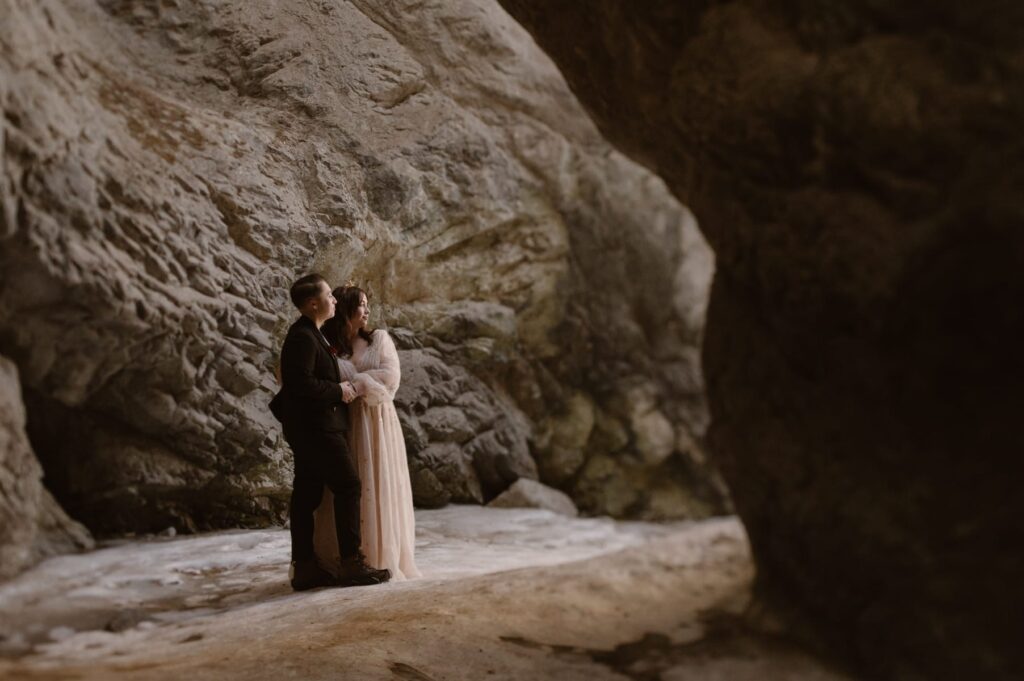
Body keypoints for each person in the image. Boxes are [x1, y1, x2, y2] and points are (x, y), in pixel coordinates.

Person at [269, 274, 391, 591]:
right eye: (329, 295)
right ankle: (351, 564)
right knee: (348, 485)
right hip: (317, 427)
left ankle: (306, 566)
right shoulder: (303, 337)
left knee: (307, 495)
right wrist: (339, 391)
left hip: (312, 426)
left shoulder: (312, 334)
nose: (334, 300)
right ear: (313, 303)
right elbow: (301, 385)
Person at [316, 285, 421, 581]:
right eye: (361, 305)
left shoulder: (379, 339)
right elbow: (323, 376)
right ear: (347, 309)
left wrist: (354, 381)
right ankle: (343, 556)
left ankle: (376, 555)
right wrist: (352, 382)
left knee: (376, 481)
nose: (367, 310)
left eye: (367, 305)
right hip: (343, 419)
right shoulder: (328, 343)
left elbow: (391, 377)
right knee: (347, 484)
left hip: (376, 421)